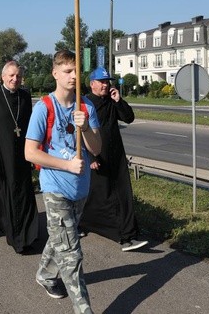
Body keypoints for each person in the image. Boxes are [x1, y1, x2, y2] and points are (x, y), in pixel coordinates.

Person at [24, 50, 101, 314]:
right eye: (67, 71)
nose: (73, 76)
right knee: (72, 254)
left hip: (80, 189)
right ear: (55, 74)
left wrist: (86, 128)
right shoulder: (43, 107)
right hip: (55, 188)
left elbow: (97, 148)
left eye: (76, 70)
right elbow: (30, 152)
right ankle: (84, 309)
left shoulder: (86, 107)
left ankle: (45, 275)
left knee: (60, 239)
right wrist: (67, 164)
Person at [79, 67, 148, 251]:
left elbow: (129, 118)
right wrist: (90, 156)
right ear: (92, 84)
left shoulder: (112, 100)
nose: (105, 85)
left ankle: (127, 235)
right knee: (98, 196)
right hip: (96, 156)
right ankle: (85, 223)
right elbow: (78, 133)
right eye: (101, 81)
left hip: (116, 156)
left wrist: (119, 101)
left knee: (122, 194)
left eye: (107, 81)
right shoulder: (85, 103)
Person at [0, 61, 38, 253]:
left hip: (23, 153)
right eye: (11, 75)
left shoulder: (25, 96)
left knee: (24, 192)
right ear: (2, 77)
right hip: (1, 155)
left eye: (18, 76)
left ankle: (29, 234)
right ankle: (17, 237)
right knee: (5, 195)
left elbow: (31, 126)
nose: (15, 79)